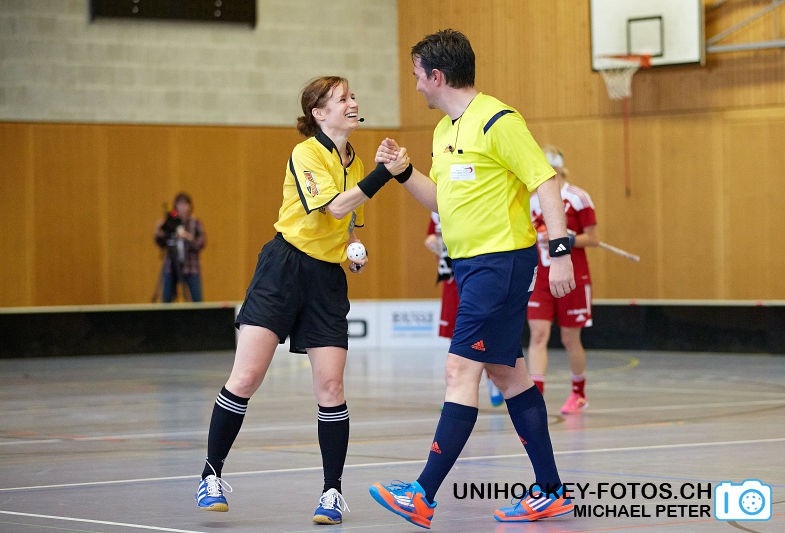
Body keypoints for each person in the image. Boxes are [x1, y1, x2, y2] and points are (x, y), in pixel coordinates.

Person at [369, 29, 576, 528]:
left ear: (437, 76)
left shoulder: (499, 121)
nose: (416, 86)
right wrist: (403, 172)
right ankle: (551, 492)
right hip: (470, 266)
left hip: (499, 262)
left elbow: (544, 181)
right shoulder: (444, 132)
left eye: (418, 76)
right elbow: (442, 200)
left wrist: (561, 250)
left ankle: (423, 492)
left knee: (460, 373)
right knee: (509, 374)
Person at [194, 76, 411, 525]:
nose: (353, 103)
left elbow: (347, 220)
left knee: (331, 389)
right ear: (318, 113)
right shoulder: (306, 153)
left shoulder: (356, 159)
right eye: (342, 99)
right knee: (247, 376)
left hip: (326, 280)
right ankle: (210, 474)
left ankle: (331, 493)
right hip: (283, 269)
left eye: (353, 97)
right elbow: (331, 207)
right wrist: (384, 176)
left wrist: (354, 249)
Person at [527, 145, 599, 414]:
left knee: (570, 338)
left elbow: (593, 238)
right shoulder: (532, 200)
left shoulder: (578, 198)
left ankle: (579, 392)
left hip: (572, 275)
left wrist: (567, 239)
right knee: (538, 334)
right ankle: (536, 397)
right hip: (541, 276)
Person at [425, 212, 503, 407]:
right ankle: (456, 389)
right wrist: (432, 242)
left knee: (482, 333)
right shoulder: (436, 209)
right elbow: (432, 236)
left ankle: (492, 377)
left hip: (476, 273)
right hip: (452, 278)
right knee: (456, 334)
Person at [154, 192, 206, 302]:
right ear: (175, 206)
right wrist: (159, 232)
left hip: (191, 267)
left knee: (198, 301)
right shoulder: (170, 223)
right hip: (171, 267)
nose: (182, 207)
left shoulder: (195, 223)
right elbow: (161, 243)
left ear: (190, 206)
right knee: (166, 301)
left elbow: (201, 242)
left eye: (185, 204)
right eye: (180, 204)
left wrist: (187, 237)